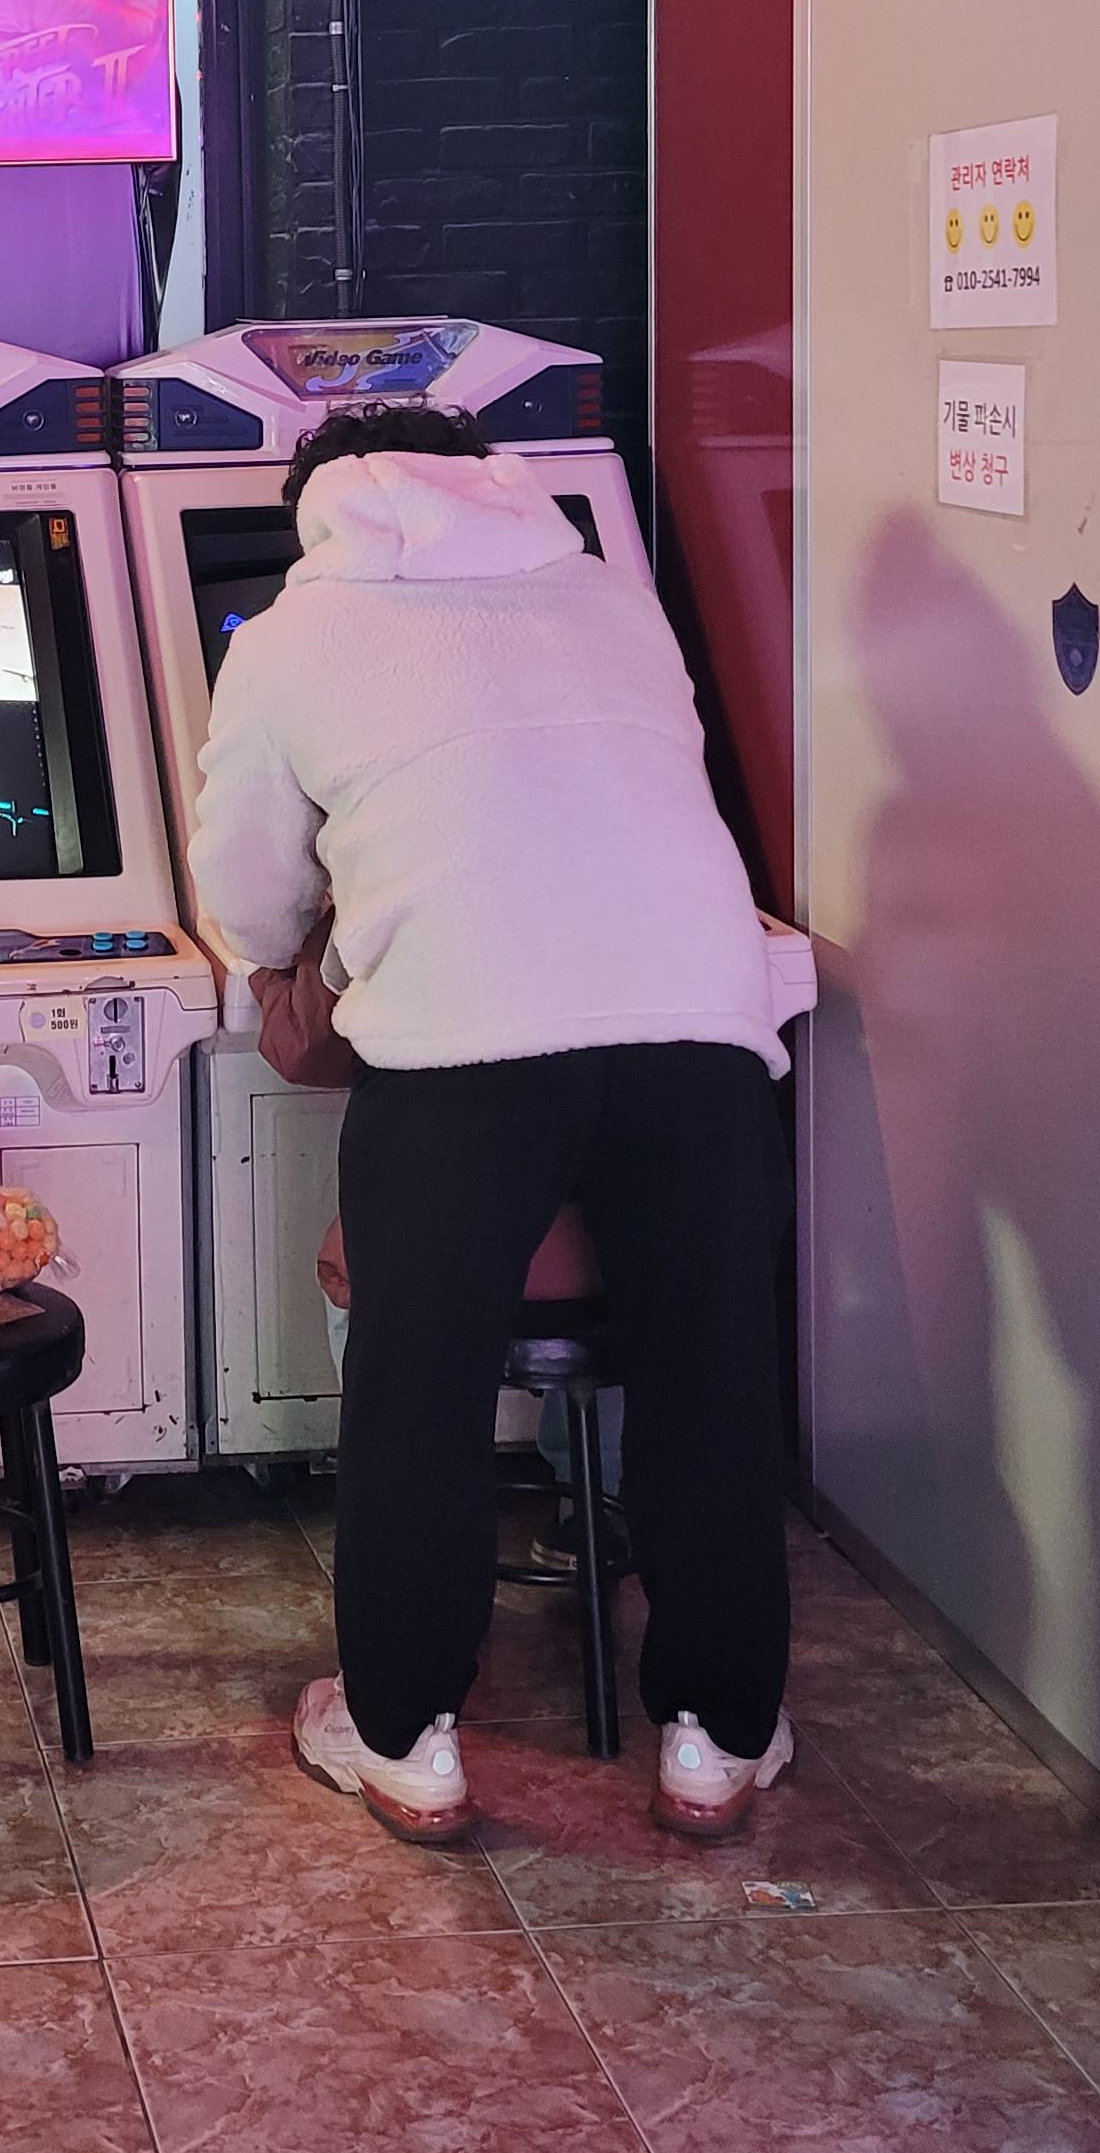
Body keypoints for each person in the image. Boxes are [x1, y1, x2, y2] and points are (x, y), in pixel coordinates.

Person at [190, 399, 794, 1846]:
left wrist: (302, 950)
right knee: (711, 1377)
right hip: (698, 1023)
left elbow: (247, 889)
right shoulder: (613, 596)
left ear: (319, 507)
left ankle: (406, 1738)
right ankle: (716, 1737)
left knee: (422, 1387)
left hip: (462, 1044)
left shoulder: (292, 634)